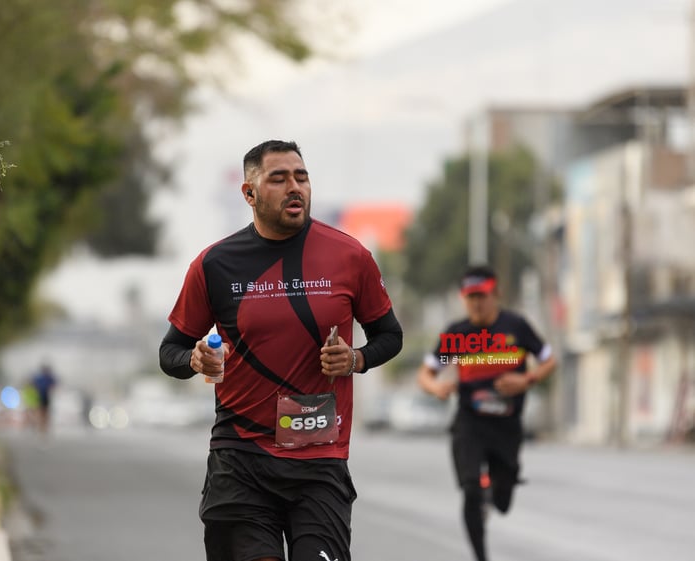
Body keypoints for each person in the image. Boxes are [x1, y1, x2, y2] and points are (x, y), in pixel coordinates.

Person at [159, 139, 403, 561]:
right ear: (249, 193)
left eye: (301, 177)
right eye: (279, 178)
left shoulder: (350, 255)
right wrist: (194, 358)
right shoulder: (214, 265)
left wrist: (357, 358)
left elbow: (390, 335)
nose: (295, 187)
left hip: (319, 460)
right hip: (241, 458)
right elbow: (171, 351)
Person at [417, 264, 557, 561]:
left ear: (496, 294)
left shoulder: (516, 327)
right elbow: (426, 373)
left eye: (482, 296)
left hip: (507, 425)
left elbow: (548, 360)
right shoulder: (456, 334)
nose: (476, 303)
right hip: (470, 423)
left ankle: (495, 492)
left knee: (503, 502)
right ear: (463, 299)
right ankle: (480, 556)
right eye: (470, 297)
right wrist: (436, 387)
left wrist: (526, 379)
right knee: (470, 488)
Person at [31, 362, 58, 434]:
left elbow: (54, 385)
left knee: (45, 412)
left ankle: (44, 427)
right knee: (40, 412)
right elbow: (33, 385)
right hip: (39, 396)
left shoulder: (48, 377)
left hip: (46, 396)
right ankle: (41, 426)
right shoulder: (39, 378)